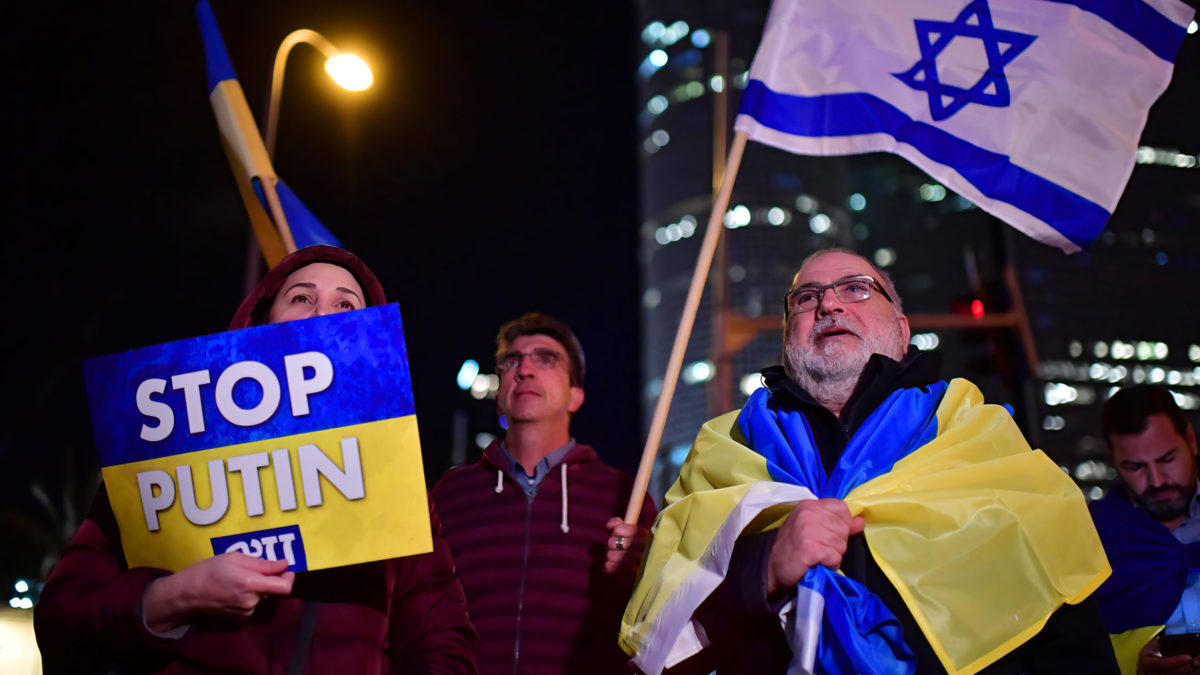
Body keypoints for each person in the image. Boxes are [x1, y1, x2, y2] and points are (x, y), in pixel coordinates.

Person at [620, 248, 1117, 674]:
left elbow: (1065, 624)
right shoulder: (724, 446)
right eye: (806, 298)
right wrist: (764, 567)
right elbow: (660, 627)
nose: (829, 304)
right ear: (787, 335)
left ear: (901, 330)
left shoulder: (977, 435)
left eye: (856, 289)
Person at [35, 245, 477, 674]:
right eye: (301, 298)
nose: (321, 315)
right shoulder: (164, 452)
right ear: (261, 322)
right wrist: (175, 597)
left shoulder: (395, 486)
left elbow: (442, 644)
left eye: (346, 306)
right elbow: (62, 624)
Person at [431, 313, 657, 674]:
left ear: (576, 395)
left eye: (546, 359)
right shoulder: (449, 495)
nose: (524, 369)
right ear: (499, 393)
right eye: (511, 361)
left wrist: (647, 569)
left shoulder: (625, 496)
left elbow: (655, 624)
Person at [1089, 384, 1200, 674]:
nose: (1157, 480)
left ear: (1191, 439)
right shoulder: (1089, 537)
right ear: (1113, 460)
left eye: (1167, 459)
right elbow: (1073, 651)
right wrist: (1133, 666)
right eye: (1135, 467)